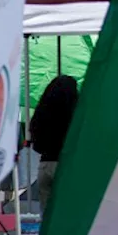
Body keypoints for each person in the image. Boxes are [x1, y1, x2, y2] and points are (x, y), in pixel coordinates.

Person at [28, 75, 78, 213]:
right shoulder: (75, 115)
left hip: (44, 166)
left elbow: (36, 145)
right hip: (66, 166)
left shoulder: (42, 113)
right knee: (68, 213)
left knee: (47, 217)